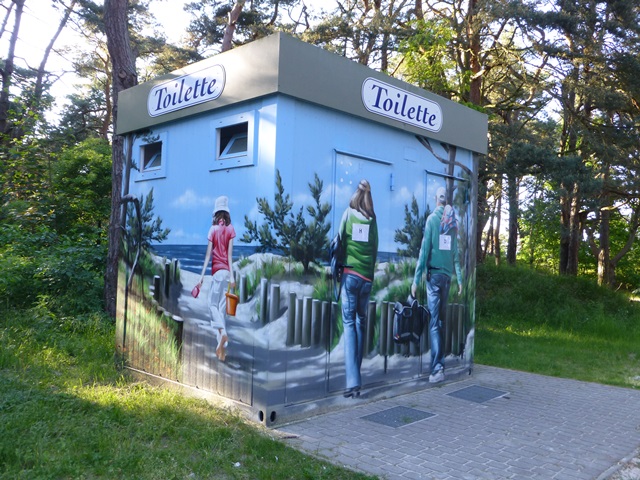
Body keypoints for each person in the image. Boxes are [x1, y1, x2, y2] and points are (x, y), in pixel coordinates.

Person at [411, 187, 462, 384]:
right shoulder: (452, 223)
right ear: (445, 200)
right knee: (439, 321)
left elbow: (424, 252)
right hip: (447, 278)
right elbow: (455, 254)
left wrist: (416, 280)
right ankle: (437, 364)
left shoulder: (432, 220)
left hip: (433, 279)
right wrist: (460, 279)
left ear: (436, 200)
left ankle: (437, 368)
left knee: (434, 324)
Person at [337, 179, 378, 398]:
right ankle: (357, 376)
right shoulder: (372, 220)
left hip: (350, 276)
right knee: (361, 321)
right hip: (367, 279)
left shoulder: (348, 214)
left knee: (349, 324)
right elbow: (375, 247)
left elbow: (339, 241)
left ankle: (352, 382)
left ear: (356, 194)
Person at [198, 195, 236, 362]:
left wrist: (201, 277)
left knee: (212, 305)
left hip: (216, 273)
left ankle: (222, 333)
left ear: (216, 212)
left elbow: (208, 255)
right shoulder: (231, 229)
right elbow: (229, 255)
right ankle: (222, 351)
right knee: (221, 311)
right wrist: (233, 276)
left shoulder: (213, 230)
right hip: (227, 274)